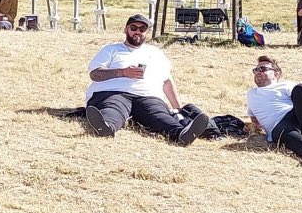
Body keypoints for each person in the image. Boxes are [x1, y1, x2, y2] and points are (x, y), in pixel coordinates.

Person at [84, 14, 210, 145]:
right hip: (113, 92)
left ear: (147, 32)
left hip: (148, 96)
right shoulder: (111, 49)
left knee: (159, 115)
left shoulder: (155, 53)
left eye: (142, 29)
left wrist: (178, 109)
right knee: (113, 109)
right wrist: (122, 72)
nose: (137, 31)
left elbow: (167, 81)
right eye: (133, 28)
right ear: (126, 29)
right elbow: (95, 74)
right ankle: (106, 127)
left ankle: (181, 134)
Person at [245, 55, 302, 167]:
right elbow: (254, 118)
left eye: (263, 69)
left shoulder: (286, 85)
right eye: (256, 70)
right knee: (290, 136)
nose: (258, 72)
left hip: (295, 115)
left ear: (276, 73)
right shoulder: (251, 94)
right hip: (277, 127)